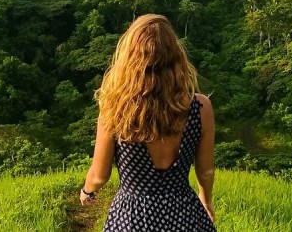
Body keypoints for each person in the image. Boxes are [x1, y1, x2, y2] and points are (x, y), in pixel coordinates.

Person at [80, 14, 216, 231]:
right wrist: (205, 201)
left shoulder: (116, 108)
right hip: (185, 214)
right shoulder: (200, 108)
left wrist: (87, 191)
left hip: (131, 219)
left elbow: (99, 175)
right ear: (176, 55)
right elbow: (206, 171)